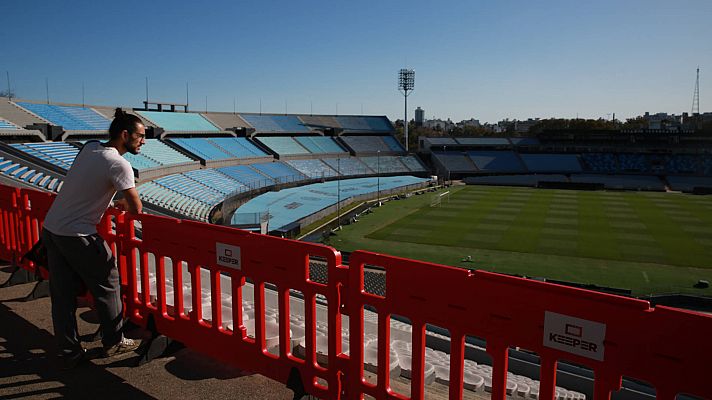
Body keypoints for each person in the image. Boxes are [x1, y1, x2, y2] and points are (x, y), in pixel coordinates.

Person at [41, 108, 145, 368]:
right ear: (125, 135)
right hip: (77, 234)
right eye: (140, 136)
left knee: (62, 295)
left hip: (53, 228)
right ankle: (114, 340)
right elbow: (136, 208)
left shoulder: (90, 147)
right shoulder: (119, 163)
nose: (143, 141)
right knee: (108, 281)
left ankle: (69, 349)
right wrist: (121, 201)